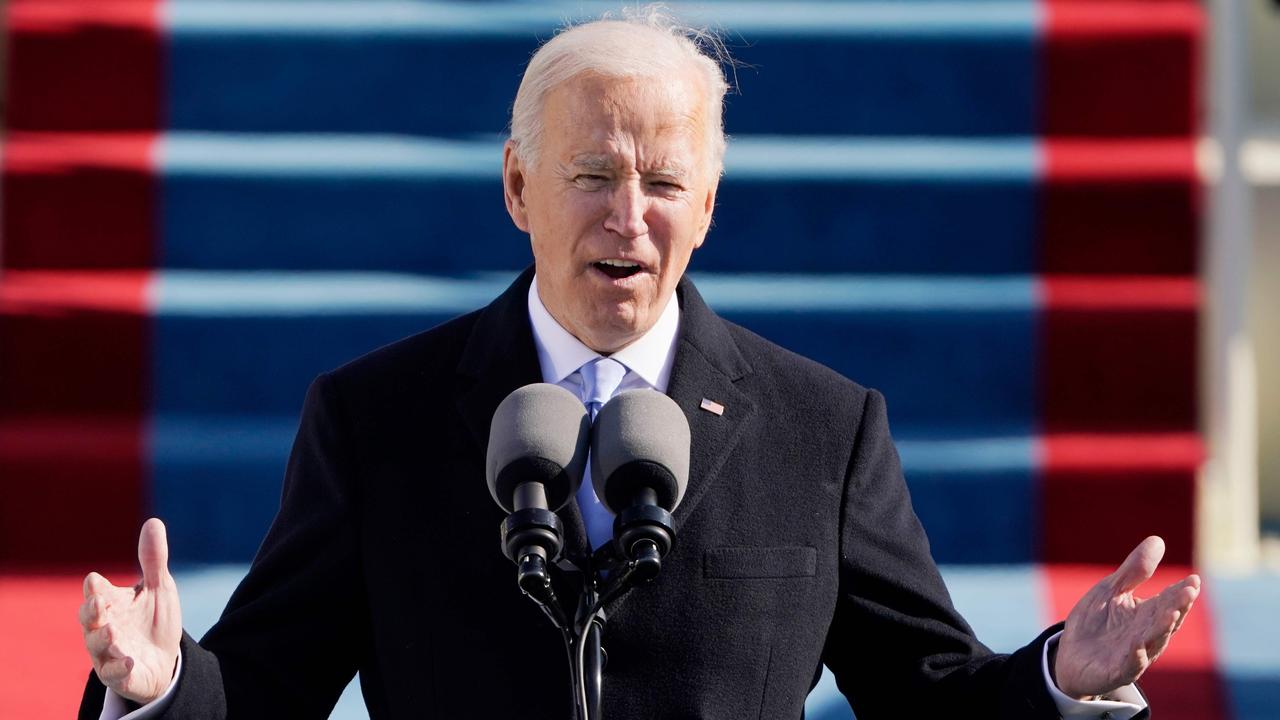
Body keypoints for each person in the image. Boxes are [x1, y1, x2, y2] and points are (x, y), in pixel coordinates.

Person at [78, 9, 1200, 719]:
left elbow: (927, 694)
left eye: (664, 185)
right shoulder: (379, 418)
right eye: (591, 177)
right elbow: (267, 687)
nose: (629, 217)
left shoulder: (823, 427)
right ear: (517, 188)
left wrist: (1057, 679)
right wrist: (159, 683)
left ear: (705, 209)